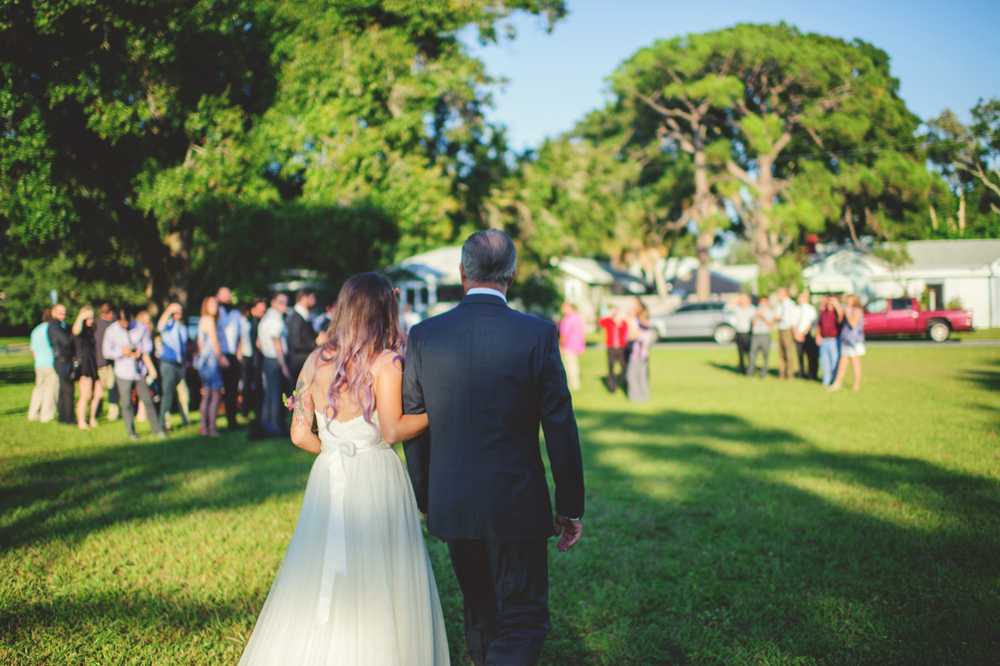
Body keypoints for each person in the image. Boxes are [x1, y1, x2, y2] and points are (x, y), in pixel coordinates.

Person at [238, 273, 448, 665]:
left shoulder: (315, 360)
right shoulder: (386, 362)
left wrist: (334, 450)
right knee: (381, 566)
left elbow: (299, 434)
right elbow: (393, 428)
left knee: (319, 565)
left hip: (328, 474)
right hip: (376, 474)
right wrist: (434, 415)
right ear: (385, 309)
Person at [403, 230, 585, 666]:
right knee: (523, 618)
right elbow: (559, 426)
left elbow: (415, 425)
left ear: (462, 272)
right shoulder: (537, 334)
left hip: (453, 501)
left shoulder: (425, 334)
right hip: (516, 502)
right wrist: (571, 506)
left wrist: (429, 499)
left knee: (480, 612)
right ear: (512, 274)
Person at [103, 308, 165, 441]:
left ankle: (157, 429)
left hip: (139, 371)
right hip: (123, 371)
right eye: (122, 323)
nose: (125, 325)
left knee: (148, 400)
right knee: (126, 403)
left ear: (131, 318)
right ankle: (131, 432)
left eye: (127, 322)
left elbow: (148, 345)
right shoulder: (112, 331)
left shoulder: (140, 327)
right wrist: (121, 352)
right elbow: (106, 351)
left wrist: (140, 351)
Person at [258, 292, 290, 437]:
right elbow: (277, 345)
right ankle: (277, 428)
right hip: (275, 360)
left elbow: (258, 343)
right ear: (273, 303)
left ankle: (267, 425)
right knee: (277, 395)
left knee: (270, 395)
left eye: (286, 302)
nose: (284, 305)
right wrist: (283, 366)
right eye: (281, 302)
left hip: (267, 359)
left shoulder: (265, 319)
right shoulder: (275, 320)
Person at [196, 296, 229, 437]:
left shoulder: (202, 320)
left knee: (207, 394)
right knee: (215, 394)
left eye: (216, 304)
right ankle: (212, 428)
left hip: (203, 361)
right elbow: (215, 341)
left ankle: (204, 427)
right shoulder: (209, 320)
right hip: (211, 361)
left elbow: (199, 342)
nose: (215, 307)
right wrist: (221, 358)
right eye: (212, 304)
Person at [157, 302, 190, 431]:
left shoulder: (182, 327)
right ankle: (164, 422)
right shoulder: (168, 325)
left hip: (180, 364)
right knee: (168, 394)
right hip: (168, 363)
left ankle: (186, 420)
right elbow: (160, 324)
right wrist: (169, 310)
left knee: (184, 393)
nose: (178, 314)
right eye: (175, 312)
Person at [215, 287, 242, 431]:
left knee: (232, 390)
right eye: (223, 294)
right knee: (216, 390)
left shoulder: (236, 314)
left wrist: (239, 353)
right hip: (220, 354)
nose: (227, 296)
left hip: (233, 355)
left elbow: (239, 336)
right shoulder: (217, 313)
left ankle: (232, 421)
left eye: (228, 294)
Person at [72, 307, 102, 429]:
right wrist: (81, 316)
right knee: (86, 395)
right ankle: (81, 422)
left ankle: (92, 419)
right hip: (85, 365)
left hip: (94, 364)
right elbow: (75, 330)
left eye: (92, 317)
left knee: (99, 394)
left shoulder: (91, 330)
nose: (90, 320)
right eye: (88, 317)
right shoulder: (80, 331)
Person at [829, 294, 866, 392]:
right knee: (842, 363)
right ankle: (836, 383)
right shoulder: (847, 309)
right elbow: (841, 317)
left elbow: (853, 323)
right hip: (846, 340)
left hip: (854, 341)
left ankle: (856, 385)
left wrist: (847, 313)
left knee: (855, 363)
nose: (848, 301)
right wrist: (836, 304)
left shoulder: (857, 310)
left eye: (850, 300)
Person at [28, 308, 58, 423]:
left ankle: (33, 413)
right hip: (50, 363)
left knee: (39, 389)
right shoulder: (51, 329)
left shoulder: (36, 330)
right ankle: (46, 415)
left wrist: (37, 360)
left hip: (39, 364)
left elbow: (32, 349)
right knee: (50, 389)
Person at [47, 303, 76, 425]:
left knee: (64, 389)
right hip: (62, 361)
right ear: (53, 313)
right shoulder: (54, 326)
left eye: (64, 313)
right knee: (68, 390)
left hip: (63, 360)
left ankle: (63, 417)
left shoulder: (60, 326)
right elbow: (66, 341)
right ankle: (68, 418)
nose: (63, 315)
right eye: (60, 312)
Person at [94, 303, 120, 421]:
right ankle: (113, 414)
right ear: (110, 313)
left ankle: (96, 412)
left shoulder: (94, 325)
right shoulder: (111, 328)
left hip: (95, 362)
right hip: (107, 362)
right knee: (112, 389)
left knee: (97, 390)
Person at [286, 288, 317, 381]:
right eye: (312, 298)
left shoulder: (304, 316)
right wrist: (315, 343)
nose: (314, 301)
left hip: (305, 363)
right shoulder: (296, 318)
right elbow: (295, 343)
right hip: (299, 364)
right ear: (304, 299)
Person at [626, 311, 657, 402]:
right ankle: (645, 396)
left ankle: (635, 397)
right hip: (645, 355)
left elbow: (630, 338)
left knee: (631, 376)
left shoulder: (641, 329)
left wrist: (632, 326)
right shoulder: (651, 329)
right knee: (642, 377)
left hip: (636, 355)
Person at [598, 306, 629, 393]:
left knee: (623, 366)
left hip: (621, 348)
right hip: (611, 348)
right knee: (611, 367)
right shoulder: (609, 322)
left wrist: (620, 320)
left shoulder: (622, 323)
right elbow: (600, 322)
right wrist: (609, 314)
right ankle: (611, 386)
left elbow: (625, 331)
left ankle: (624, 384)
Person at [726, 294, 756, 374]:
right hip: (739, 332)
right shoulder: (737, 308)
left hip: (748, 333)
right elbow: (727, 306)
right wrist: (738, 299)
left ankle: (750, 369)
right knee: (740, 353)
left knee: (750, 352)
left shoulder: (752, 309)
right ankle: (741, 368)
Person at [558, 301, 585, 391]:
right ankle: (575, 384)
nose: (563, 309)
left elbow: (563, 335)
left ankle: (573, 385)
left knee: (570, 366)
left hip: (569, 345)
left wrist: (560, 346)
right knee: (574, 365)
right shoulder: (578, 317)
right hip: (577, 345)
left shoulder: (568, 319)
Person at [816, 295, 843, 387]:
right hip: (824, 340)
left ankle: (836, 380)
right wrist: (818, 336)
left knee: (834, 362)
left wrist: (837, 305)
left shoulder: (837, 314)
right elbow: (819, 325)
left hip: (834, 340)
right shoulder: (823, 313)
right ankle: (826, 381)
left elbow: (841, 318)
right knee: (824, 362)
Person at [793, 291, 819, 381]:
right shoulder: (796, 309)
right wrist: (796, 334)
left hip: (808, 335)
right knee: (800, 356)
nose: (800, 300)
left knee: (810, 356)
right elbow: (794, 323)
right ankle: (801, 373)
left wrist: (803, 334)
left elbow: (812, 323)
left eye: (802, 298)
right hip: (798, 335)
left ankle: (811, 374)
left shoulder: (811, 309)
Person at [774, 287, 799, 380]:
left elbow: (786, 318)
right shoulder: (780, 305)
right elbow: (776, 318)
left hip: (787, 329)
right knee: (781, 353)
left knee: (788, 353)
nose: (779, 295)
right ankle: (782, 373)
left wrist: (779, 318)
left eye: (780, 293)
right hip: (780, 329)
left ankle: (790, 374)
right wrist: (779, 318)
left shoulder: (790, 304)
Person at [747, 296, 773, 379]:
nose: (762, 304)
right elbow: (753, 324)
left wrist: (764, 316)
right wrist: (758, 316)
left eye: (764, 302)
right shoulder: (755, 311)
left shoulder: (770, 311)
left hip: (765, 334)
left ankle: (764, 371)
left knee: (765, 354)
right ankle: (750, 371)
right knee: (752, 353)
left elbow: (770, 324)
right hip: (756, 334)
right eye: (761, 302)